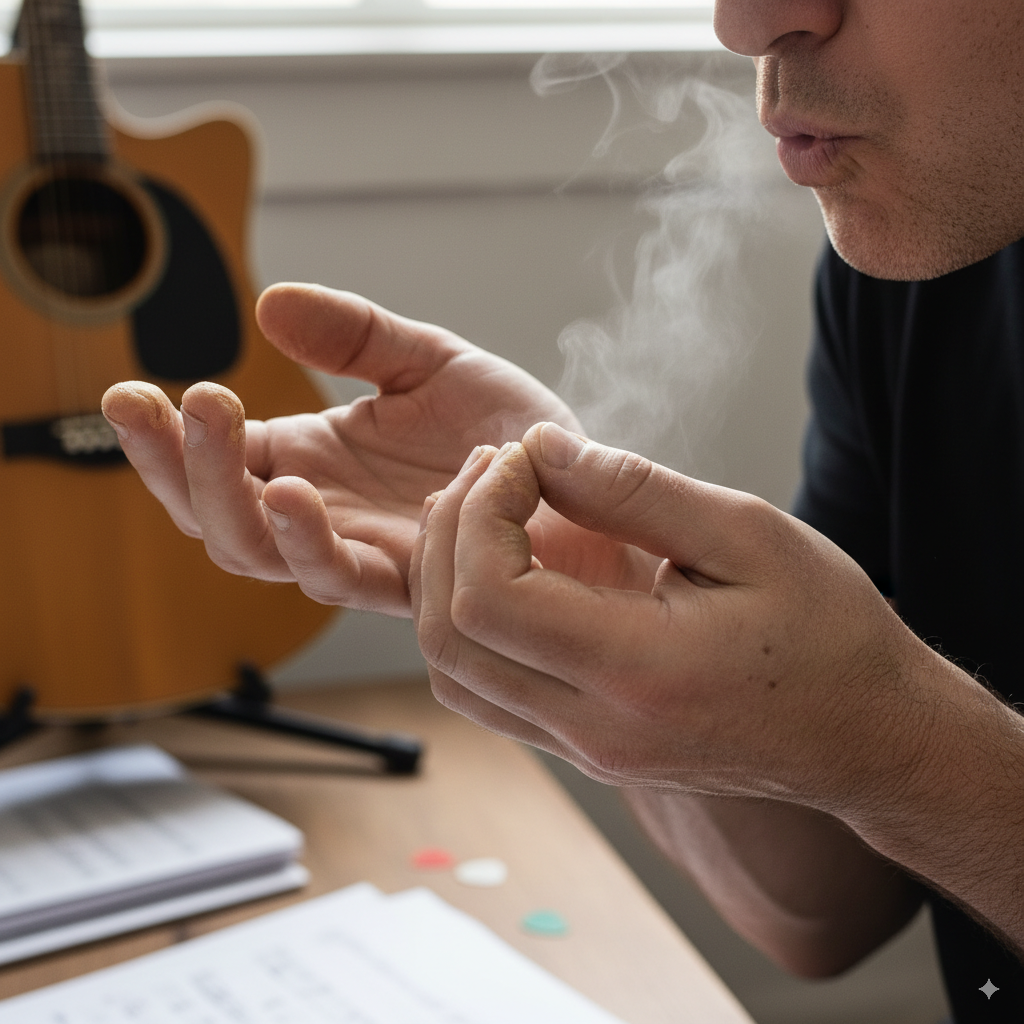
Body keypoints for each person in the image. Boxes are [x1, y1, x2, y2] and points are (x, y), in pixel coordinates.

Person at [101, 1, 1024, 1020]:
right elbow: (820, 918)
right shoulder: (919, 256)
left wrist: (897, 739)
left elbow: (893, 778)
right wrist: (605, 586)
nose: (746, 21)